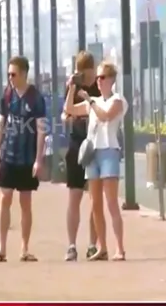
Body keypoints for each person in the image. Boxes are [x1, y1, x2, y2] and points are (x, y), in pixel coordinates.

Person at [64, 61, 128, 261]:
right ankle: (103, 247)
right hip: (92, 155)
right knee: (96, 204)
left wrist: (90, 102)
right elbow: (70, 109)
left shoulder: (117, 100)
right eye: (97, 78)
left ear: (110, 80)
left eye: (102, 78)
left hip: (108, 151)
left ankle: (120, 248)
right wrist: (72, 88)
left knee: (111, 203)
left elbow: (107, 116)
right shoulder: (93, 100)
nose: (98, 82)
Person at [0, 56, 47, 262]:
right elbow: (1, 124)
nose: (10, 78)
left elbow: (42, 131)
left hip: (27, 158)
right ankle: (1, 248)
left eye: (13, 74)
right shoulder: (7, 95)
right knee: (4, 198)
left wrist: (38, 159)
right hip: (8, 156)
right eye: (8, 75)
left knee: (25, 202)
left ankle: (24, 248)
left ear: (24, 74)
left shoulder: (35, 98)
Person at [61, 51, 98, 261]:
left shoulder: (99, 86)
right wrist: (72, 88)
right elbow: (64, 112)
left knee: (95, 199)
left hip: (95, 144)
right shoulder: (73, 87)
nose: (88, 78)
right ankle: (72, 245)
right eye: (83, 74)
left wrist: (78, 111)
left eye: (89, 73)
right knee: (74, 197)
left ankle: (93, 244)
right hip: (76, 145)